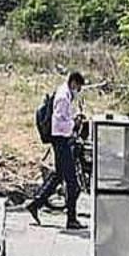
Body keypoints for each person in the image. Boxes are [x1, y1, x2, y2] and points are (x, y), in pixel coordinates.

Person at [28, 71, 86, 230]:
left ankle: (36, 204)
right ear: (73, 83)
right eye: (78, 87)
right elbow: (59, 124)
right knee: (72, 183)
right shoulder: (63, 97)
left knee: (58, 176)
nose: (78, 91)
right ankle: (71, 219)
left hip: (61, 140)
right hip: (61, 141)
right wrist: (74, 124)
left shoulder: (65, 94)